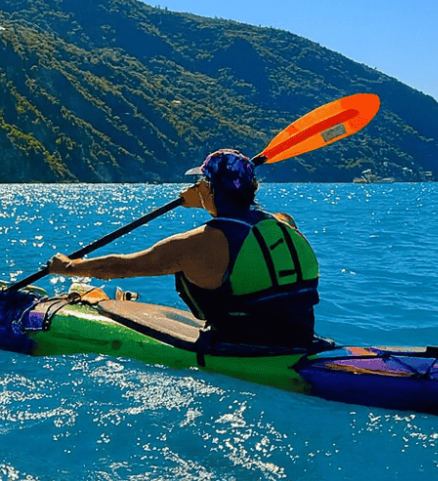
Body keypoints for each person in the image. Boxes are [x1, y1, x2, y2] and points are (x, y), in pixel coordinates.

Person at [46, 149, 321, 348]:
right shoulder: (285, 223)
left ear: (210, 188)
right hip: (302, 339)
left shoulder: (196, 244)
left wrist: (69, 267)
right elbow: (241, 215)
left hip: (242, 348)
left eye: (200, 183)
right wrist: (206, 197)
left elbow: (120, 266)